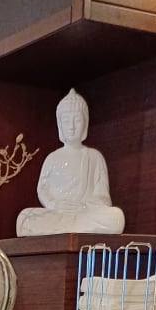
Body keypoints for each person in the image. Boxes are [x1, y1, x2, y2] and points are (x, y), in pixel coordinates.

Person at [16, 88, 125, 236]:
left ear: (85, 123)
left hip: (84, 213)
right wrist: (54, 204)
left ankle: (69, 225)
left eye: (77, 120)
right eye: (67, 121)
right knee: (25, 218)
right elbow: (42, 190)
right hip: (58, 212)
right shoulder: (53, 158)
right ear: (60, 124)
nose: (72, 127)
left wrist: (84, 206)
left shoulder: (94, 157)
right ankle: (70, 225)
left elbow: (103, 197)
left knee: (116, 216)